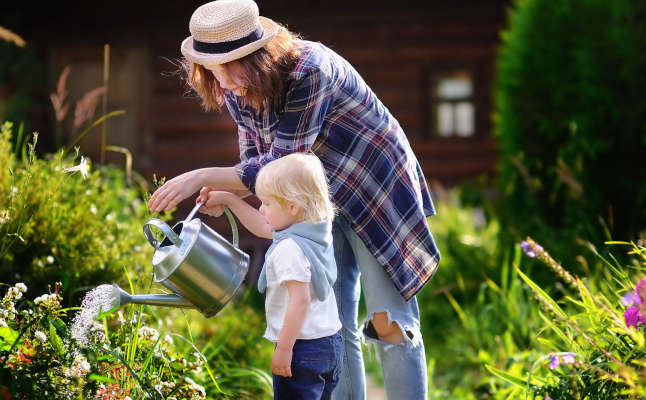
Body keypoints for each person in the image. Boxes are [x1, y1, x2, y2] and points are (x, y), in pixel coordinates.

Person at [147, 0, 441, 398]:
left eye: (230, 68)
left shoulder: (310, 70)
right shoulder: (235, 89)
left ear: (257, 57)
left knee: (390, 324)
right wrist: (229, 195)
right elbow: (259, 169)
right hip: (315, 199)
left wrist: (201, 176)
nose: (225, 83)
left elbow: (283, 164)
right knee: (329, 321)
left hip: (373, 188)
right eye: (213, 71)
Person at [202, 153, 343, 399]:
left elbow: (300, 302)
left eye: (267, 203)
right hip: (329, 343)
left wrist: (285, 349)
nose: (261, 207)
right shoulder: (316, 230)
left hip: (301, 347)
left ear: (292, 206)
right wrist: (229, 200)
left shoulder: (290, 249)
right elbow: (263, 226)